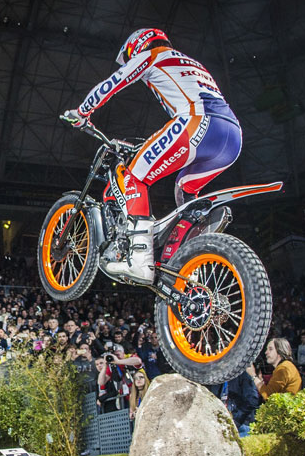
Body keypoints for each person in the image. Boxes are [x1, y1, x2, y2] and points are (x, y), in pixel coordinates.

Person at [63, 27, 241, 284]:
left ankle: (140, 259)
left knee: (134, 177)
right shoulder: (191, 63)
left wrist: (82, 112)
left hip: (197, 122)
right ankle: (190, 247)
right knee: (185, 189)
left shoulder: (154, 55)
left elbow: (112, 84)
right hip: (232, 136)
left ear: (137, 47)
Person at [209, 372, 259, 438]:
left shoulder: (242, 375)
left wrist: (236, 420)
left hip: (241, 425)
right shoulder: (211, 377)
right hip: (219, 425)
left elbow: (252, 400)